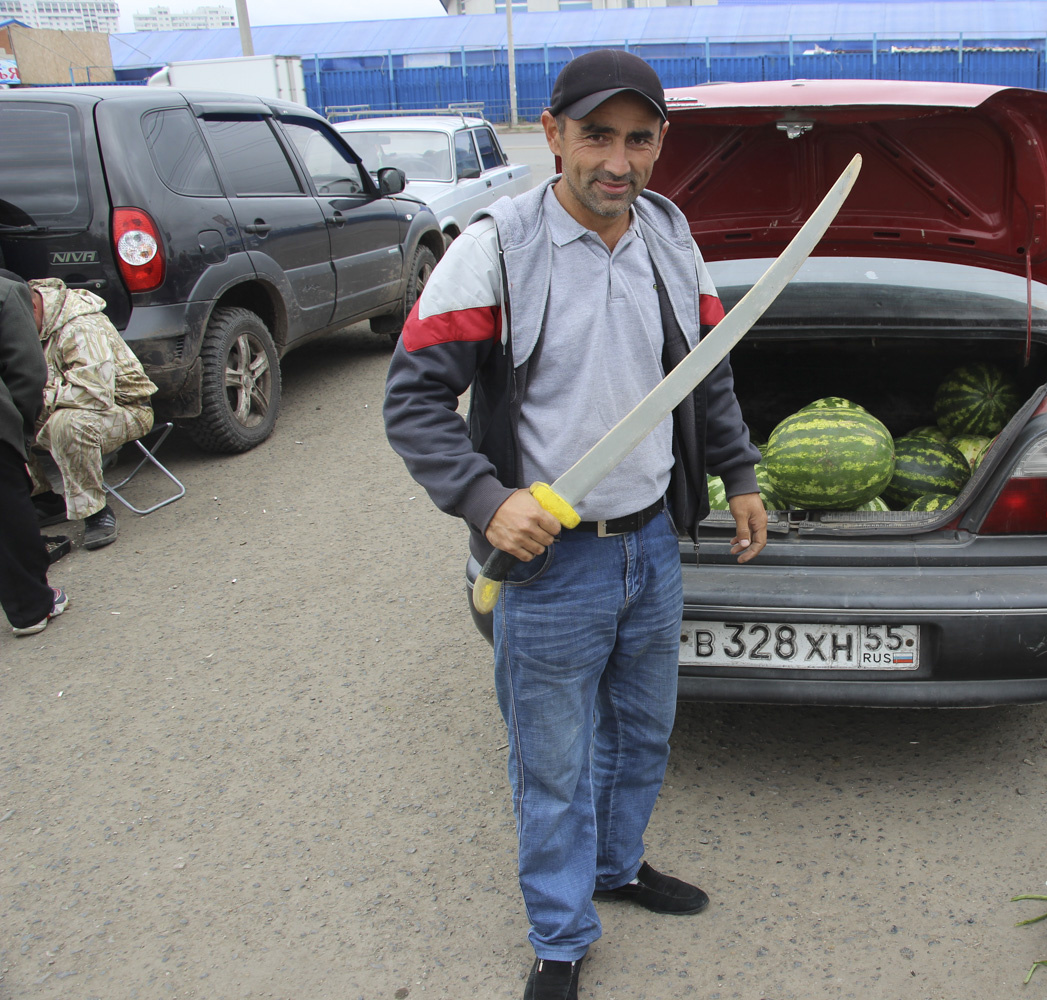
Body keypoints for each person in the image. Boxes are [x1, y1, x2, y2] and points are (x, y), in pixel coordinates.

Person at [383, 50, 766, 1000]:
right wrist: (487, 499)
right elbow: (414, 401)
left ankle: (617, 866)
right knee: (551, 764)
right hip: (549, 564)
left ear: (660, 146)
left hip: (649, 543)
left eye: (639, 139)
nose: (617, 159)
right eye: (597, 134)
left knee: (642, 733)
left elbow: (704, 371)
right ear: (551, 135)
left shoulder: (673, 238)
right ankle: (560, 937)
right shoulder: (496, 249)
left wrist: (740, 474)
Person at [27, 278, 157, 551]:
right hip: (59, 406)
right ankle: (43, 499)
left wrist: (34, 396)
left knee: (67, 423)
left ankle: (95, 512)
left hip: (124, 409)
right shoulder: (25, 321)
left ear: (32, 307)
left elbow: (94, 395)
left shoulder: (81, 325)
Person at [0, 270, 68, 637]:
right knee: (9, 517)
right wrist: (19, 430)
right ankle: (31, 606)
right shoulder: (7, 293)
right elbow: (27, 372)